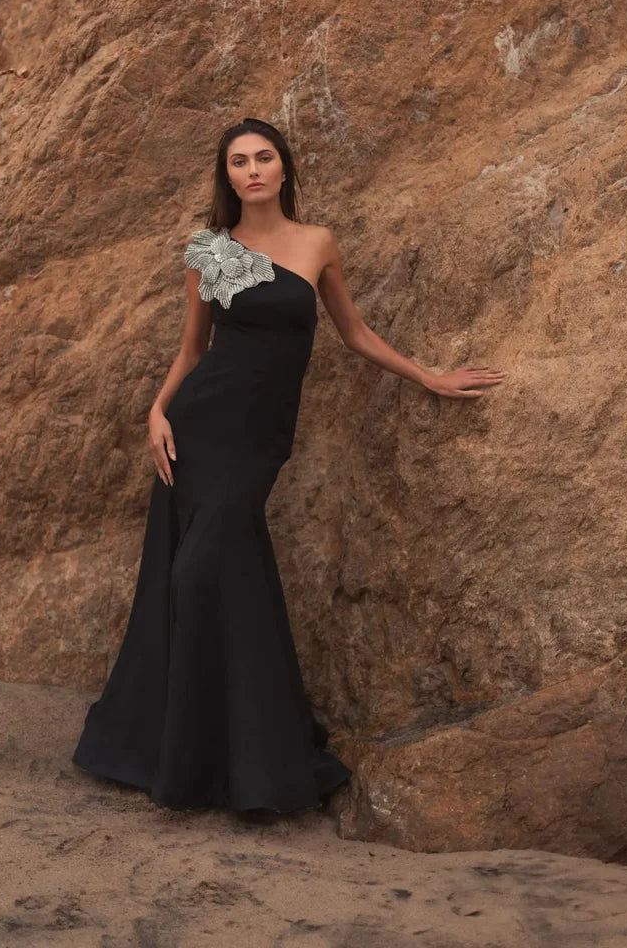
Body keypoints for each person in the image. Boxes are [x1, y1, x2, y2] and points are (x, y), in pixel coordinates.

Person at [71, 117, 505, 815]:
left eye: (263, 158)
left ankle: (245, 755)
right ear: (228, 175)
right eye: (238, 161)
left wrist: (426, 375)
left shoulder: (316, 244)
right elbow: (192, 349)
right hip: (199, 427)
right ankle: (208, 758)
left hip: (259, 440)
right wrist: (156, 412)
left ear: (282, 167)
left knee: (207, 571)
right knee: (197, 576)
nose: (251, 170)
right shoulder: (208, 249)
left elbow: (353, 332)